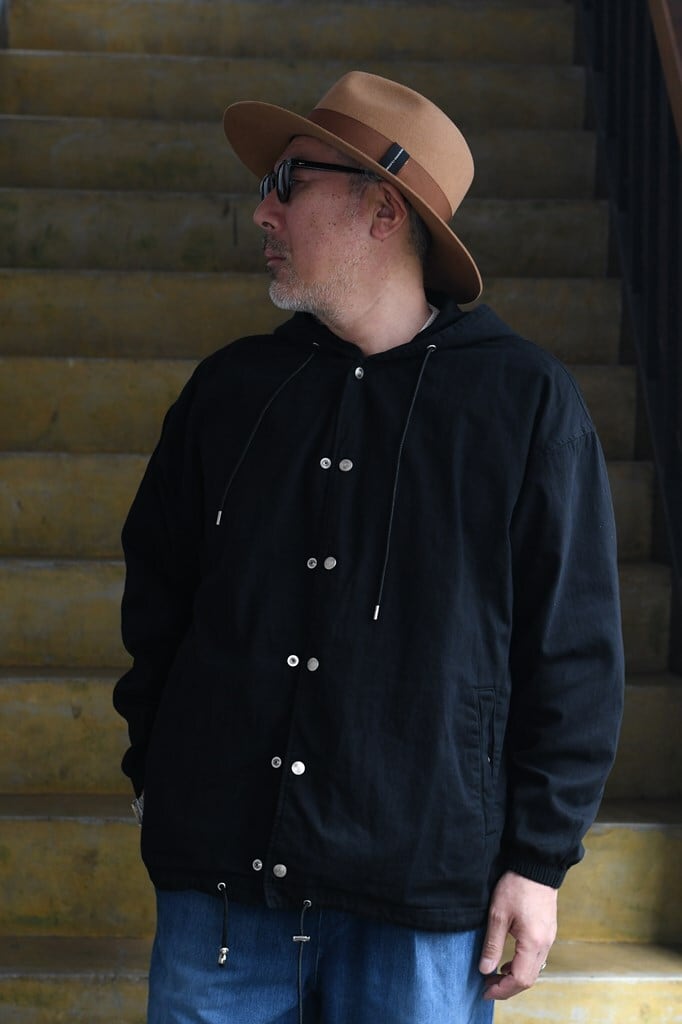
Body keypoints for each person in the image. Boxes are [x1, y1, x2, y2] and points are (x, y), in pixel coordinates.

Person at [113, 71, 624, 1023]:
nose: (262, 210)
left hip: (420, 900)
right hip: (221, 887)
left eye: (289, 182)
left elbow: (575, 654)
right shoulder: (230, 391)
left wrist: (539, 862)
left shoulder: (524, 404)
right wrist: (157, 769)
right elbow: (159, 600)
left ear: (383, 210)